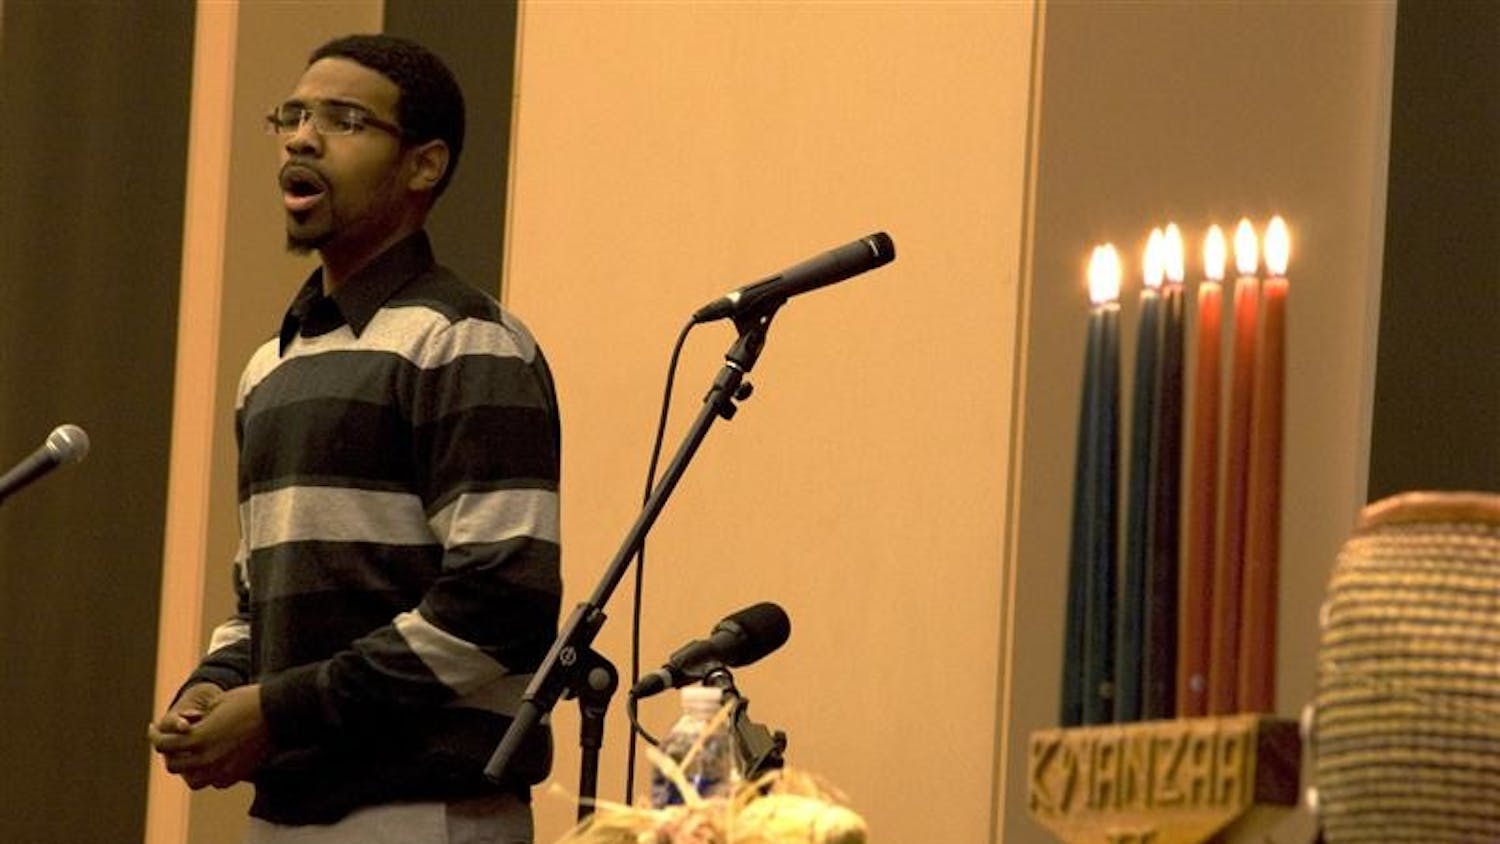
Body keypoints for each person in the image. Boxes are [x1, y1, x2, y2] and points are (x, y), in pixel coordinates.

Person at [148, 34, 561, 844]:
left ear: (423, 166)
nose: (303, 137)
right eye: (293, 116)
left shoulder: (464, 341)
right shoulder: (271, 366)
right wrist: (216, 687)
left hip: (420, 809)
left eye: (343, 120)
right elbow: (259, 601)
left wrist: (273, 708)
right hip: (288, 807)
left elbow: (500, 604)